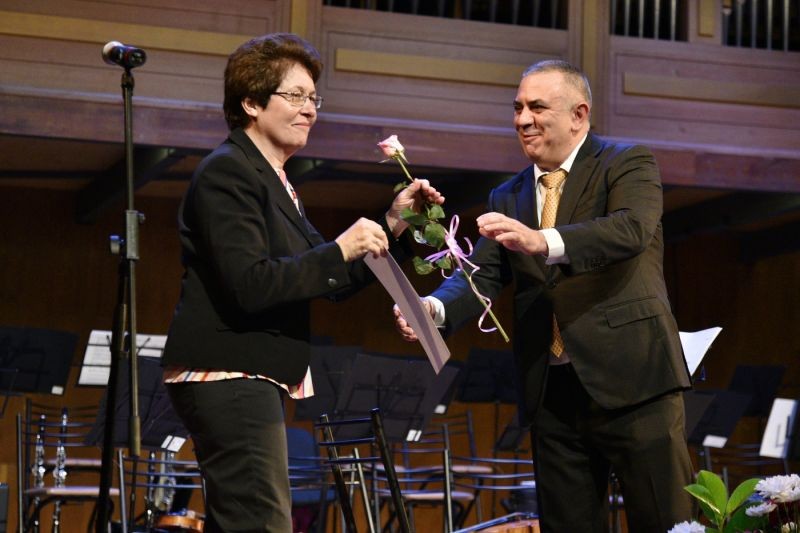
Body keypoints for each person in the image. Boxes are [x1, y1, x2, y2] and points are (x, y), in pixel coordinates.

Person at [395, 59, 694, 532]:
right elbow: (481, 276)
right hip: (551, 391)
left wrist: (542, 240)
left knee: (665, 522)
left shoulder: (626, 162)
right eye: (517, 108)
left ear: (579, 114)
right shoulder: (507, 194)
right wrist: (432, 308)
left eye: (537, 107)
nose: (523, 119)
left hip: (634, 382)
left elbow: (630, 230)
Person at [161, 33, 443, 533]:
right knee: (261, 524)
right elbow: (251, 284)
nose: (309, 109)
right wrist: (339, 249)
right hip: (227, 373)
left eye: (313, 98)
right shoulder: (228, 172)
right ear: (251, 103)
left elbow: (331, 281)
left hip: (248, 376)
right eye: (295, 96)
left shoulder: (273, 179)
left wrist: (394, 224)